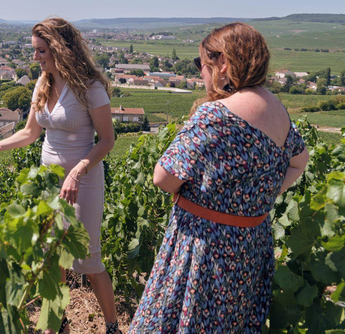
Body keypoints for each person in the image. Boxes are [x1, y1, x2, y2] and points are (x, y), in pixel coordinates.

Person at [129, 22, 309, 333]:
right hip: (251, 245)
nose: (201, 72)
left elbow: (163, 178)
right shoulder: (278, 110)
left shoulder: (214, 116)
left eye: (202, 63)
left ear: (222, 64)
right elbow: (300, 161)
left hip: (206, 248)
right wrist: (255, 199)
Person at [0, 17, 119, 334]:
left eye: (41, 50)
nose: (35, 57)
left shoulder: (90, 88)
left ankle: (113, 326)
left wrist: (77, 170)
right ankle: (54, 323)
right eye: (35, 50)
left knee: (89, 260)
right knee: (51, 255)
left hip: (83, 180)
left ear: (60, 49)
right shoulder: (42, 83)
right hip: (49, 181)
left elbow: (108, 140)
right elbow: (31, 133)